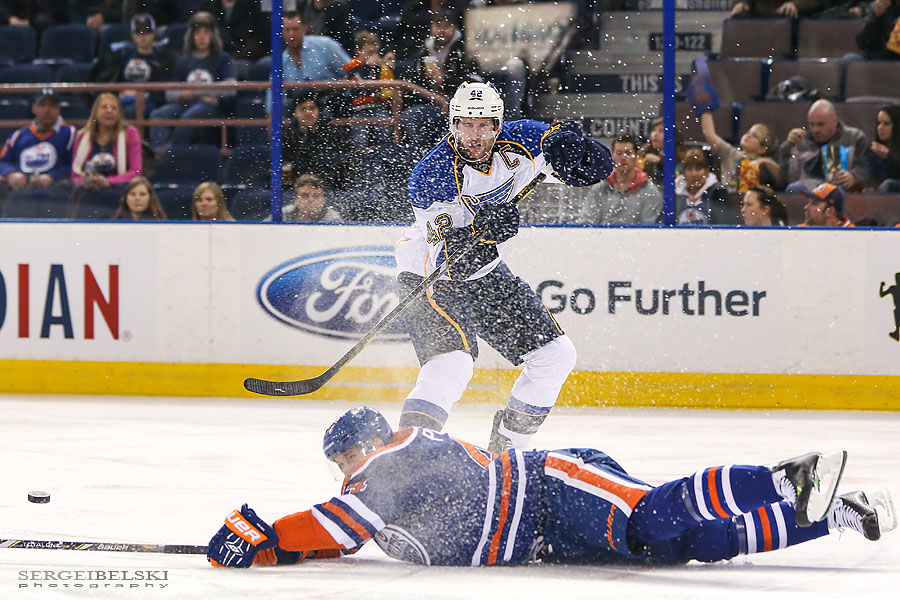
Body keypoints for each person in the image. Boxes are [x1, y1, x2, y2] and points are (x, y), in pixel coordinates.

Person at [206, 406, 896, 569]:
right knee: (687, 546)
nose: (345, 469)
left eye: (344, 457)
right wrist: (270, 550)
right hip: (543, 539)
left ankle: (782, 477)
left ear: (362, 444)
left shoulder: (397, 455)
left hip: (549, 488)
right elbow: (336, 540)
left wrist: (266, 537)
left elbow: (338, 524)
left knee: (649, 518)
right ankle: (838, 514)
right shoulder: (376, 494)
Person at [393, 82, 612, 454]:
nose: (475, 135)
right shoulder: (432, 175)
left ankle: (509, 452)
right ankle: (409, 454)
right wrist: (485, 230)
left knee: (554, 357)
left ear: (498, 125)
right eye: (466, 124)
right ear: (452, 124)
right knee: (452, 364)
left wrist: (579, 149)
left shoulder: (524, 139)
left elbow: (595, 171)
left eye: (484, 125)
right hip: (428, 274)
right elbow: (454, 261)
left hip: (485, 271)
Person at [396, 10, 484, 150]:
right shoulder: (424, 50)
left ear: (455, 27)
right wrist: (425, 78)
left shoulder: (465, 48)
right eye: (438, 26)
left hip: (462, 107)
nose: (442, 30)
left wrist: (446, 80)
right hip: (431, 104)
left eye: (447, 26)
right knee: (411, 116)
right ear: (432, 27)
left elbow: (477, 81)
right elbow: (413, 82)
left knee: (450, 130)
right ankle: (420, 159)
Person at [149, 11, 237, 152]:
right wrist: (200, 93)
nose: (202, 37)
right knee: (158, 115)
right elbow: (170, 93)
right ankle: (159, 152)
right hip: (185, 104)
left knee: (188, 117)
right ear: (192, 36)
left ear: (212, 36)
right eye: (198, 33)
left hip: (211, 108)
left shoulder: (222, 58)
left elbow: (231, 87)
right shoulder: (183, 60)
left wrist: (193, 91)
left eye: (206, 33)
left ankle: (172, 155)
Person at [89, 13, 178, 120]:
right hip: (122, 99)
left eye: (147, 32)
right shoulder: (121, 55)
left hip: (150, 102)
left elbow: (166, 88)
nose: (143, 36)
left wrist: (143, 94)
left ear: (153, 34)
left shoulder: (165, 58)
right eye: (138, 32)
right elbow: (106, 81)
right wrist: (119, 92)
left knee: (128, 111)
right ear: (132, 35)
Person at [264, 12, 351, 118]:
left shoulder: (326, 45)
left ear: (304, 29)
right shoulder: (281, 61)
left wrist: (335, 86)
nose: (291, 34)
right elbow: (272, 99)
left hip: (333, 106)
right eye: (287, 30)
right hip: (298, 114)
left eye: (295, 29)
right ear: (281, 32)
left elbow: (352, 71)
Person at [0, 89, 76, 201]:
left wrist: (52, 176)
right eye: (42, 105)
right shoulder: (19, 135)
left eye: (52, 105)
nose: (47, 110)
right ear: (33, 108)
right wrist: (11, 173)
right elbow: (3, 161)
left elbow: (76, 165)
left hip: (55, 186)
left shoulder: (70, 133)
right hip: (21, 187)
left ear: (59, 109)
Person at [780, 100, 870, 193]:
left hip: (838, 189)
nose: (815, 130)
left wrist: (854, 176)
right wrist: (788, 147)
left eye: (821, 124)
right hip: (806, 190)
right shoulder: (801, 140)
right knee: (794, 188)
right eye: (812, 124)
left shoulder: (854, 137)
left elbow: (866, 169)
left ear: (835, 121)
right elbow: (786, 178)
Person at [575, 133, 662, 225]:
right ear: (612, 157)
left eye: (628, 153)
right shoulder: (600, 188)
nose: (623, 158)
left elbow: (649, 229)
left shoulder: (650, 192)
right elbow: (587, 222)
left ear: (637, 156)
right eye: (619, 153)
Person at [71, 93, 143, 191]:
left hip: (119, 188)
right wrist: (84, 181)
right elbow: (75, 175)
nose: (109, 111)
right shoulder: (82, 136)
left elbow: (136, 171)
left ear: (119, 114)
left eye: (114, 108)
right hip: (88, 189)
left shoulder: (130, 133)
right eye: (104, 107)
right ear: (95, 112)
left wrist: (109, 181)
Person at [281, 92, 350, 191]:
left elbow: (336, 164)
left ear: (319, 112)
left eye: (312, 108)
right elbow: (284, 163)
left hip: (328, 186)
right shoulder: (287, 135)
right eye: (303, 109)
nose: (308, 112)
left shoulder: (332, 133)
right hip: (295, 187)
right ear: (294, 113)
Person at [343, 30, 395, 150]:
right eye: (370, 52)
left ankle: (382, 155)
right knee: (360, 138)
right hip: (359, 108)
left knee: (385, 130)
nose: (374, 56)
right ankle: (360, 159)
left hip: (378, 106)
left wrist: (384, 66)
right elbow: (357, 81)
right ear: (359, 51)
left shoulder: (379, 66)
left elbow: (386, 86)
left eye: (376, 52)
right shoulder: (353, 65)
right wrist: (367, 66)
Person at [674, 149, 729, 226]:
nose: (694, 174)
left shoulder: (718, 193)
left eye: (698, 169)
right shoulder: (674, 195)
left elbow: (724, 223)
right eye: (689, 169)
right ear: (683, 173)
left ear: (707, 171)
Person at [637, 117, 684, 189]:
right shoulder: (643, 154)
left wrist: (660, 162)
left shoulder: (679, 158)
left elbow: (678, 179)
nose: (655, 134)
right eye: (654, 130)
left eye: (661, 131)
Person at [865, 104, 900, 192]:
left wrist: (889, 156)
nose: (880, 127)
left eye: (886, 124)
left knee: (888, 184)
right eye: (879, 123)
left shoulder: (887, 153)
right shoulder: (874, 150)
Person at [730, 0, 825, 18]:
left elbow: (815, 2)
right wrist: (741, 3)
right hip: (759, 17)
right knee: (738, 19)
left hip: (792, 18)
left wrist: (795, 4)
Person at [880, 272, 900, 341]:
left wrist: (881, 286)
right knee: (896, 312)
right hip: (898, 308)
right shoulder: (893, 288)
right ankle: (897, 332)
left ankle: (897, 332)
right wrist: (881, 286)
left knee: (896, 312)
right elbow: (882, 295)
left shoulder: (893, 288)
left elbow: (882, 294)